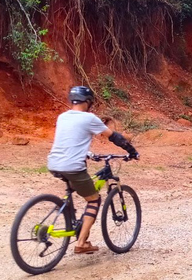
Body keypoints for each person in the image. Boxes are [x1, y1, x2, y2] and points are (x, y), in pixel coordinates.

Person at [47, 86, 139, 254]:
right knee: (94, 200)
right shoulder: (89, 118)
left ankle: (75, 223)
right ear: (88, 102)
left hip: (54, 163)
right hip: (73, 167)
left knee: (76, 188)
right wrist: (132, 151)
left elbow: (70, 140)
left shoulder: (63, 117)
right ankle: (81, 243)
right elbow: (114, 137)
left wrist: (88, 153)